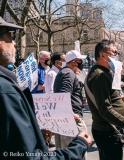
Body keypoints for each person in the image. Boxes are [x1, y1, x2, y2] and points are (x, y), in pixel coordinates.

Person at [0, 16, 92, 160]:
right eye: (10, 36)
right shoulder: (6, 90)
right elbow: (27, 156)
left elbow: (11, 142)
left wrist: (34, 134)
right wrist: (78, 146)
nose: (14, 43)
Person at [85, 39, 124, 160]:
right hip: (107, 132)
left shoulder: (105, 73)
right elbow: (106, 109)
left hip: (110, 129)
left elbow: (111, 99)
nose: (117, 55)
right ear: (103, 55)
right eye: (114, 52)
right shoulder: (99, 75)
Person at [53, 50, 89, 153]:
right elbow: (64, 94)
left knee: (64, 153)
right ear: (74, 62)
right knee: (76, 153)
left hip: (64, 120)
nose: (82, 64)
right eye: (80, 61)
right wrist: (71, 114)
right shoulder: (69, 73)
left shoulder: (63, 72)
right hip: (72, 122)